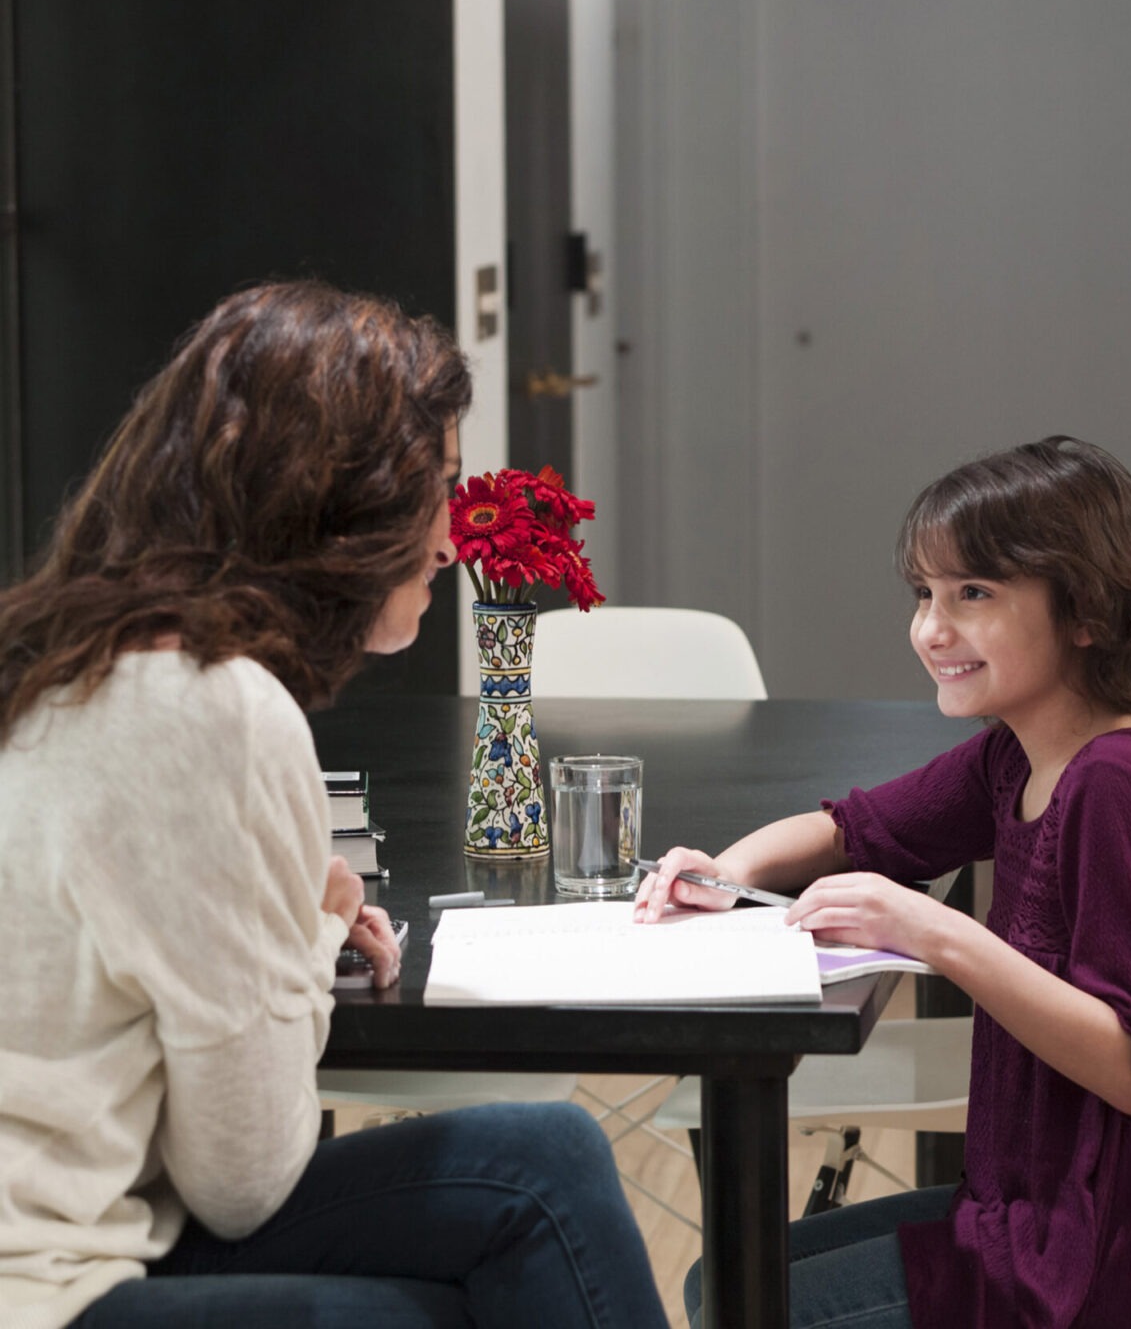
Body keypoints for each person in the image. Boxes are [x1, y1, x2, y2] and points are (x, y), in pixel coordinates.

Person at [0, 281, 669, 1329]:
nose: (453, 538)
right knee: (474, 1281)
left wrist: (293, 917)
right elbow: (245, 1175)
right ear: (337, 501)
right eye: (437, 488)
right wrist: (310, 927)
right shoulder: (216, 710)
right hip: (45, 1283)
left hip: (101, 1221)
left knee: (549, 1156)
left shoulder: (64, 657)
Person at [641, 436, 1131, 1328]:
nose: (932, 629)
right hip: (1032, 1212)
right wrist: (731, 868)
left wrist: (930, 931)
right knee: (724, 1283)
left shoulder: (1117, 787)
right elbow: (853, 828)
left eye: (972, 594)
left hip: (1115, 1261)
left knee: (743, 1303)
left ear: (1087, 611)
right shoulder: (1019, 757)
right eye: (925, 595)